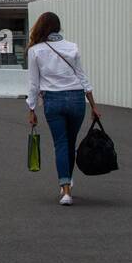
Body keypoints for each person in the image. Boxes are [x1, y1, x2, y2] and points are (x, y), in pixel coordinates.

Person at [25, 11, 100, 206]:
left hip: (54, 101)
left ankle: (65, 190)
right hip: (76, 99)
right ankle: (67, 181)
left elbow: (33, 84)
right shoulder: (72, 47)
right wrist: (93, 105)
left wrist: (31, 109)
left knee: (60, 143)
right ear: (58, 27)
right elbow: (83, 77)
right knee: (71, 142)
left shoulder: (35, 51)